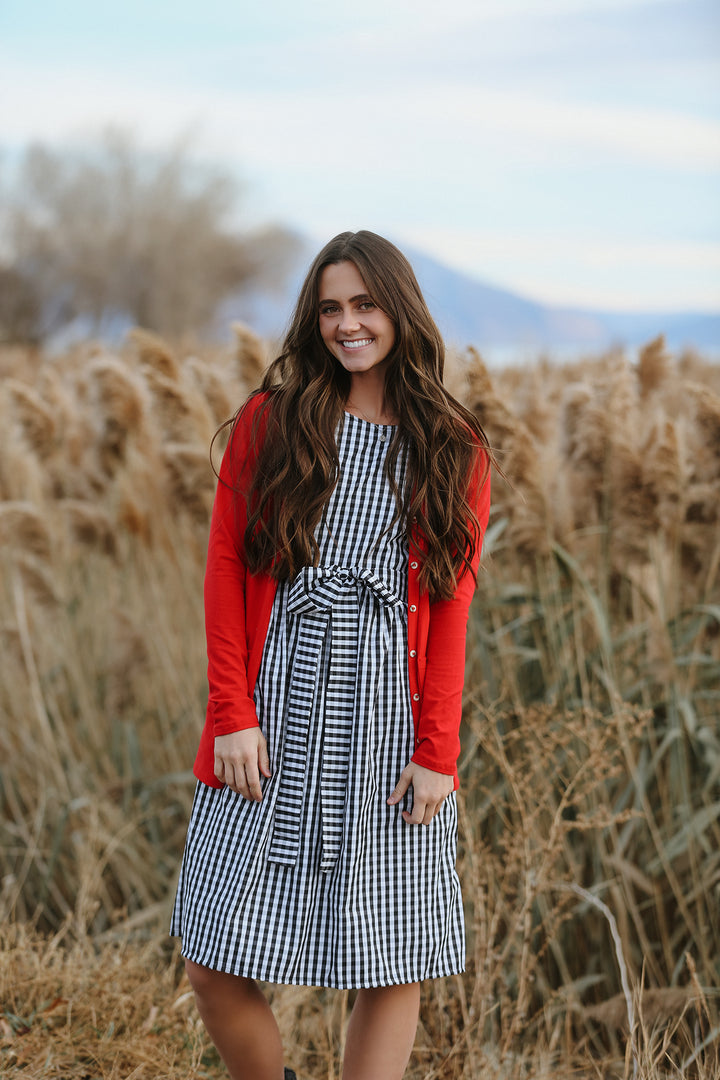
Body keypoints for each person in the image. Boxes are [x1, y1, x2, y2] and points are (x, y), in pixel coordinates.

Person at [171, 230, 492, 1080]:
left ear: (399, 310)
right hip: (274, 711)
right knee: (213, 955)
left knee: (391, 957)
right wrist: (232, 714)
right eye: (330, 309)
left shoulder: (453, 442)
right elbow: (225, 567)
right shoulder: (274, 421)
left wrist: (438, 755)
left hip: (389, 719)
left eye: (364, 305)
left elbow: (453, 602)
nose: (347, 325)